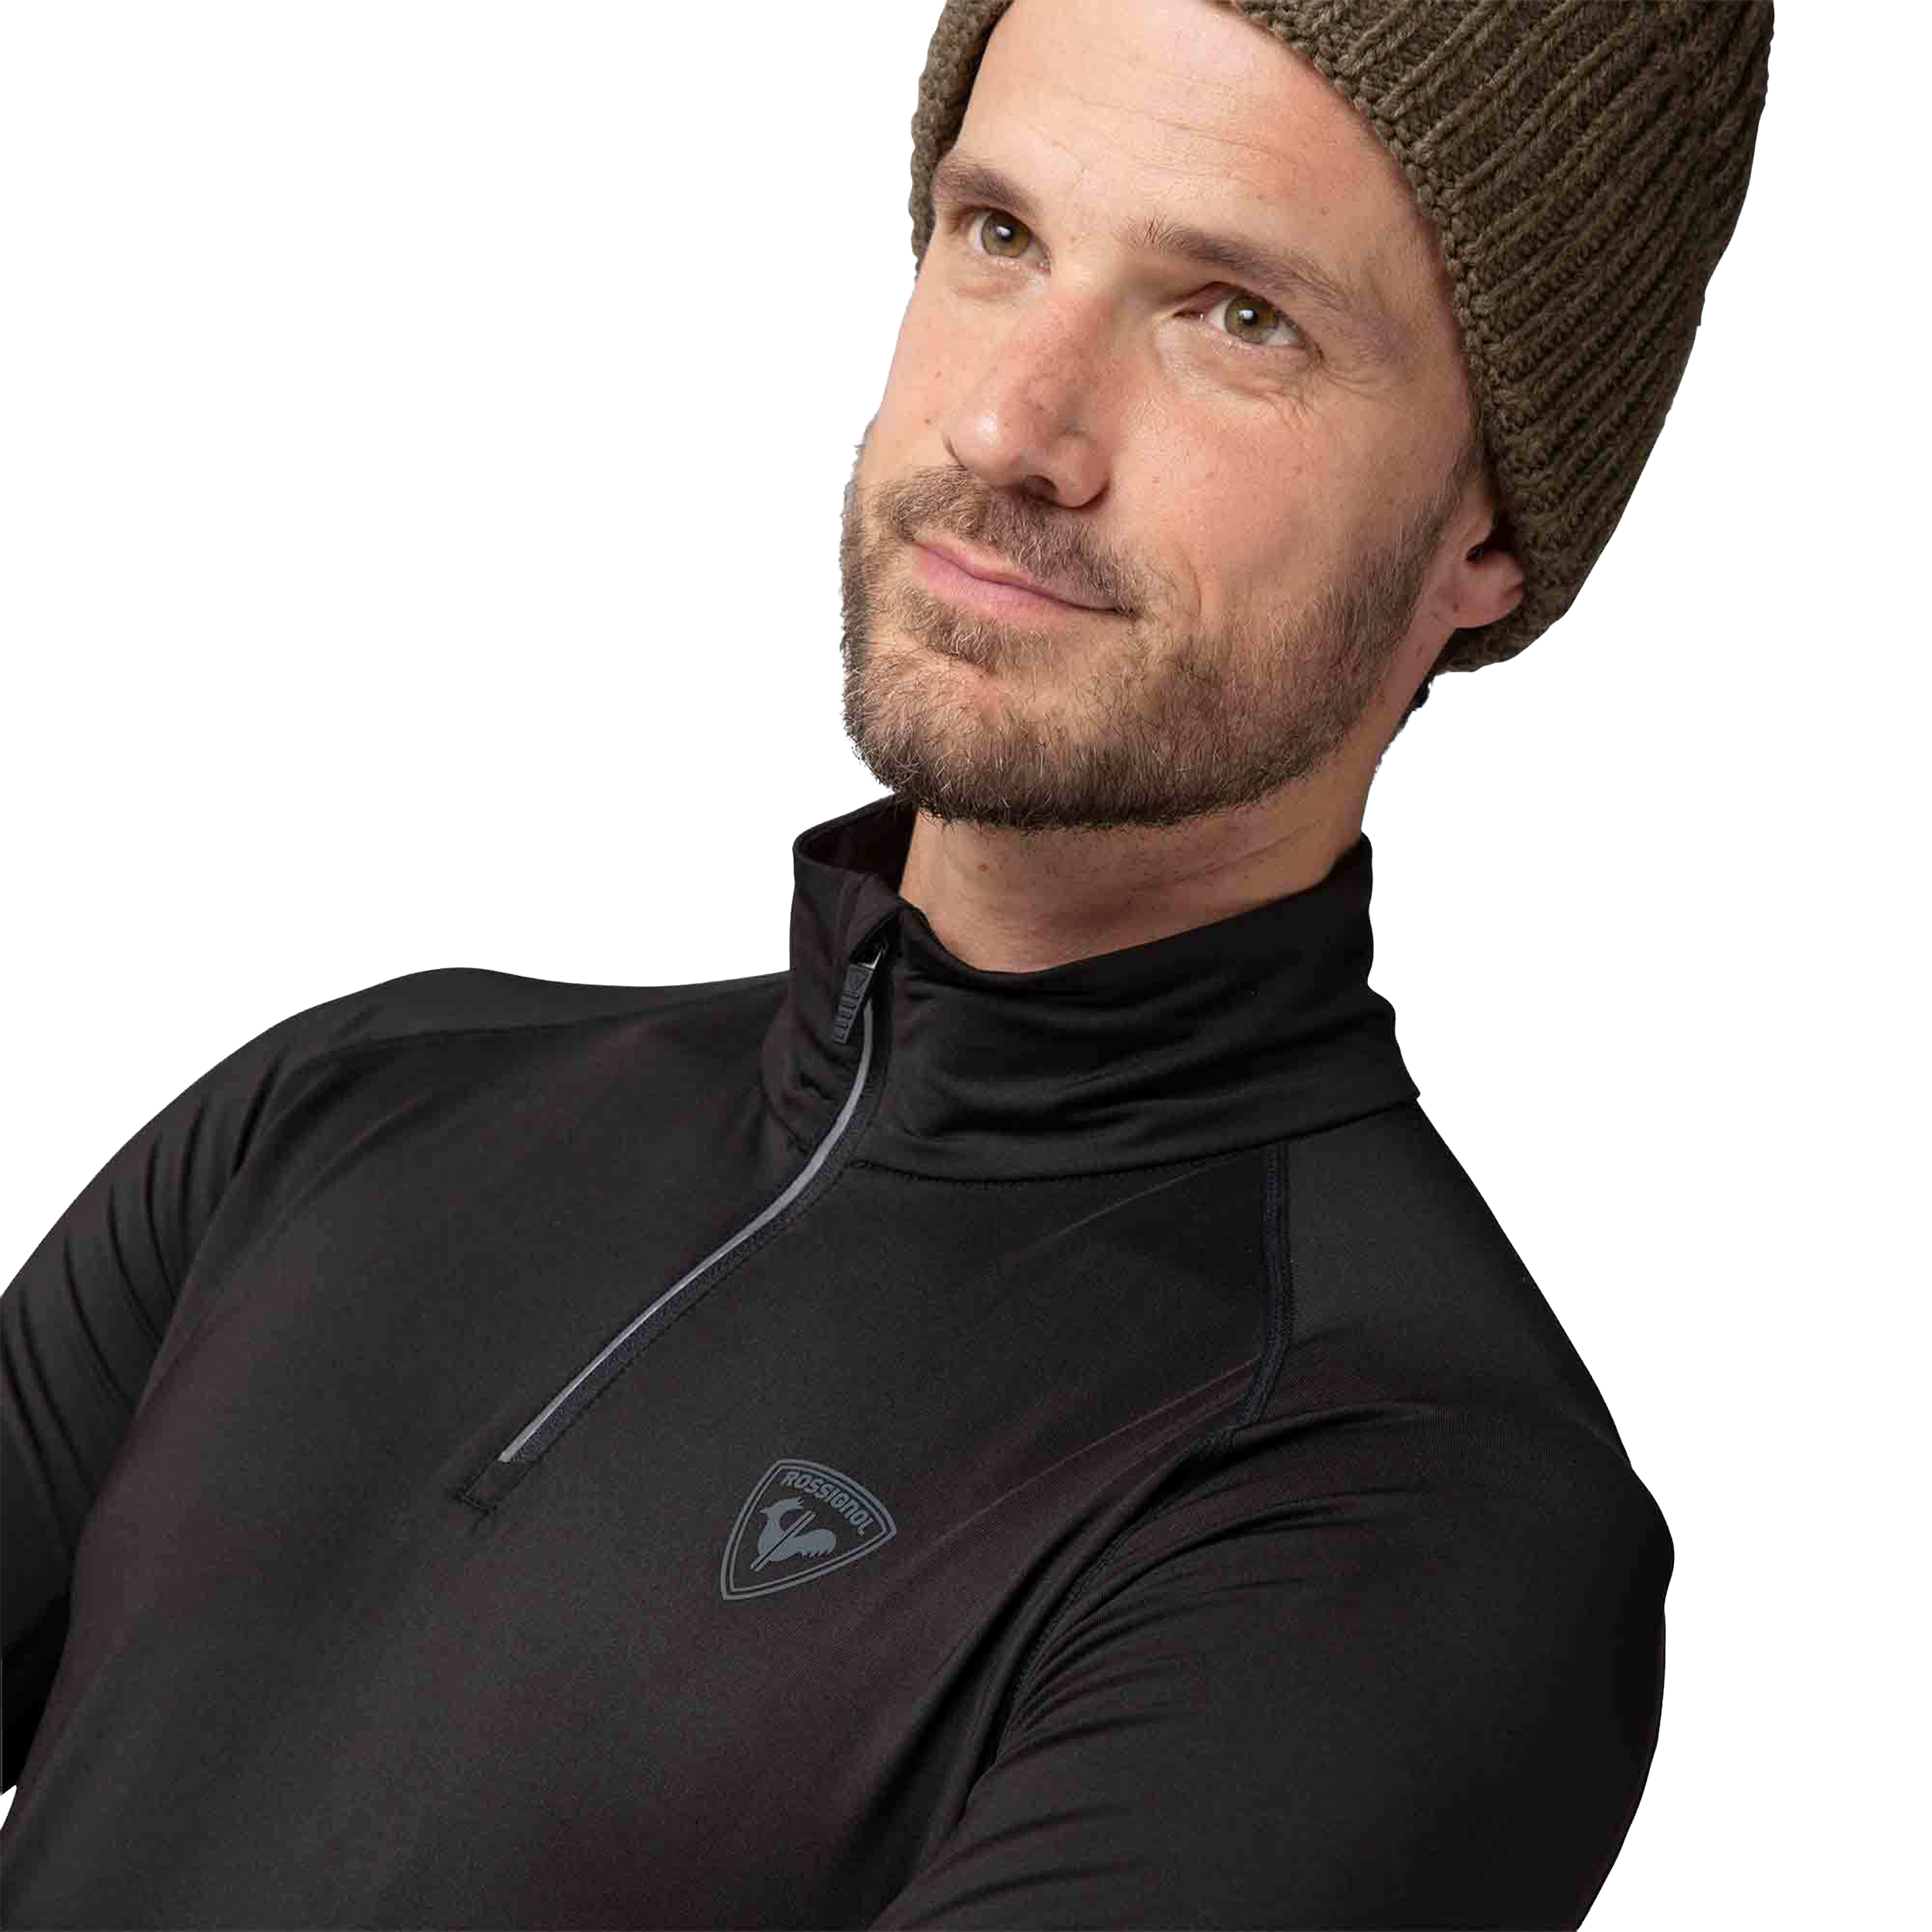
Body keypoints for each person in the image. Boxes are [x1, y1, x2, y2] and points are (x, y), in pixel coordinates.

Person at [0, 0, 1769, 1925]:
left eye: (1236, 318)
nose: (1008, 426)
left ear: (1487, 528)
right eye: (996, 232)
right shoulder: (340, 1114)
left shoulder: (1407, 1512)